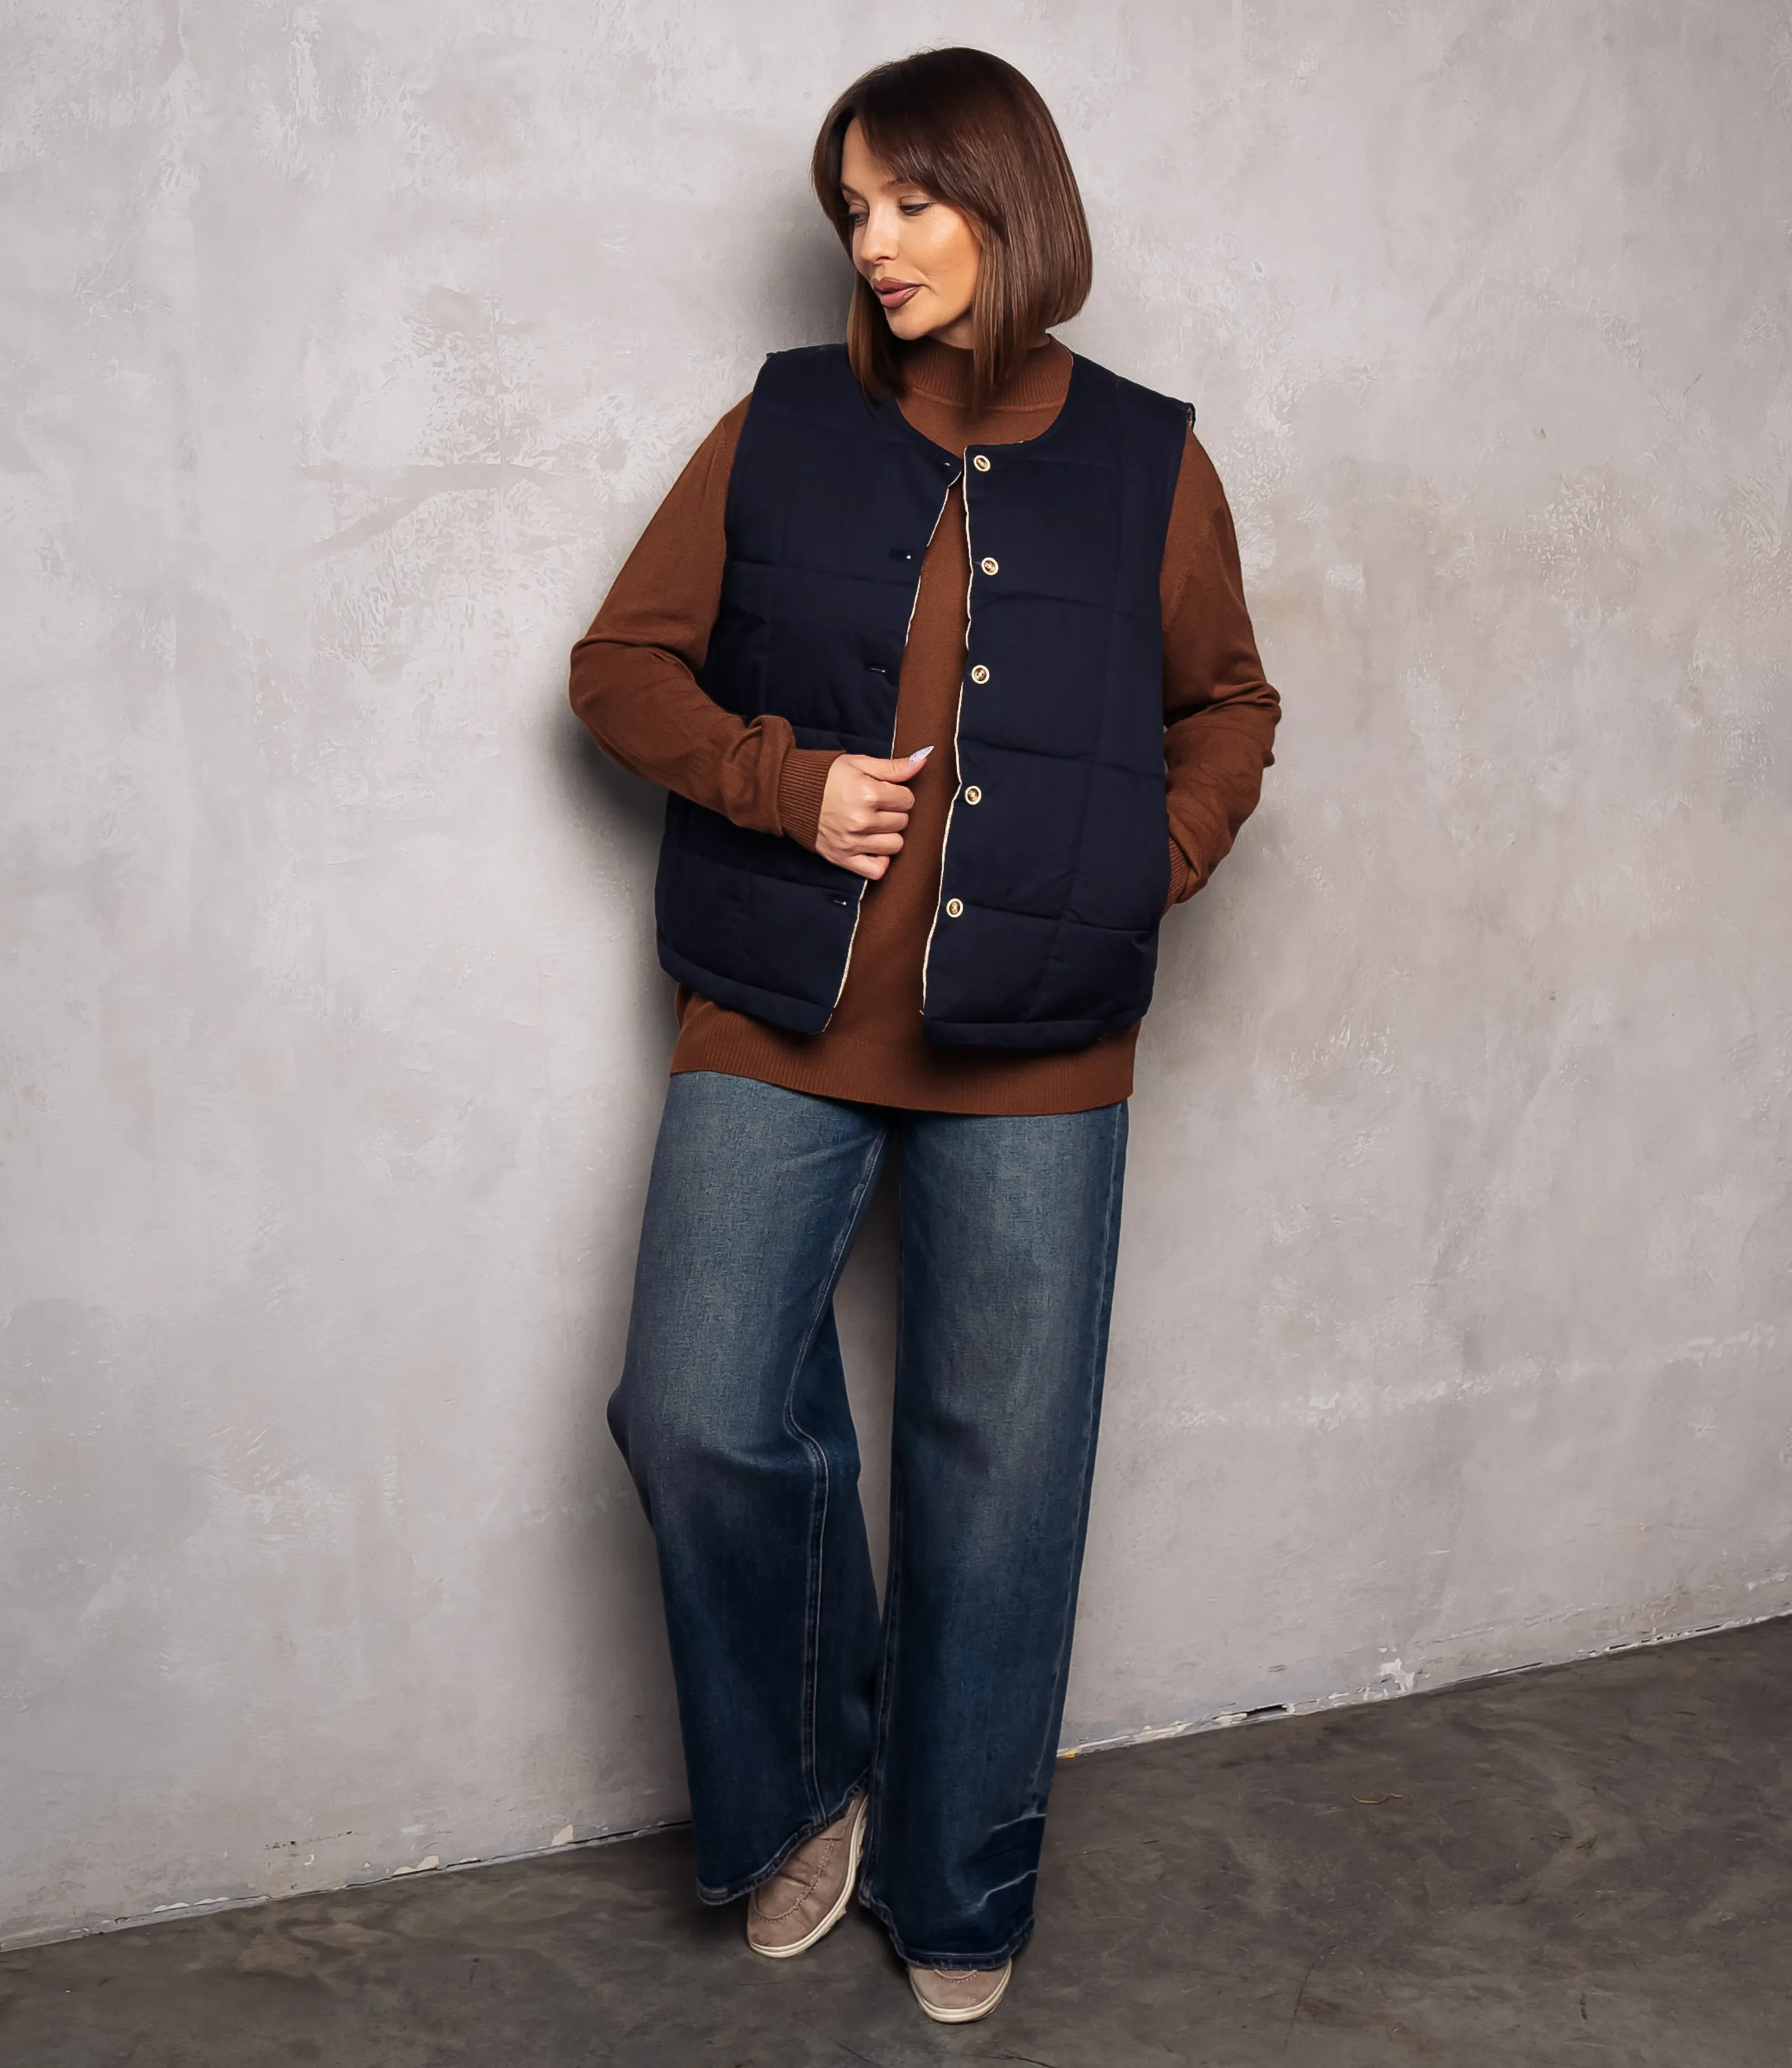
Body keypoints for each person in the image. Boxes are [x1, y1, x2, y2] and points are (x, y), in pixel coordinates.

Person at [569, 45, 1279, 2026]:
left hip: (1040, 1036)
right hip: (777, 1003)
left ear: (1008, 203)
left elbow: (1229, 707)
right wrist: (782, 785)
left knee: (1001, 1473)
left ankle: (962, 1874)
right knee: (695, 1407)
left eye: (911, 201)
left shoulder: (1151, 463)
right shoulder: (783, 426)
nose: (875, 245)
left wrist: (1140, 868)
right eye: (854, 211)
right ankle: (809, 1785)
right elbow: (619, 668)